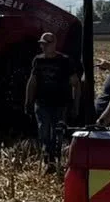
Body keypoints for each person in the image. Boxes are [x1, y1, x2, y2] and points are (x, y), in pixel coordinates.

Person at [25, 31, 74, 166]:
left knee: (57, 133)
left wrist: (75, 104)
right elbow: (32, 81)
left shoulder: (64, 61)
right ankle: (48, 159)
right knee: (44, 131)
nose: (44, 46)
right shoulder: (38, 60)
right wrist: (28, 101)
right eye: (42, 44)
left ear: (54, 44)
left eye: (47, 44)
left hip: (60, 103)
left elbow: (75, 82)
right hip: (42, 103)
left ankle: (56, 158)